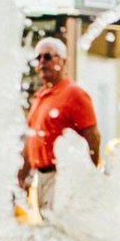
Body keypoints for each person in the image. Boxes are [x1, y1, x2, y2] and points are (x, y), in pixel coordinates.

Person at [20, 37, 100, 211]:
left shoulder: (75, 94)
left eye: (48, 57)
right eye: (38, 58)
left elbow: (92, 137)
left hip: (62, 177)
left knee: (57, 229)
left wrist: (88, 180)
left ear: (63, 61)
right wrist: (22, 179)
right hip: (41, 177)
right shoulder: (40, 96)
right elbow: (31, 141)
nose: (42, 62)